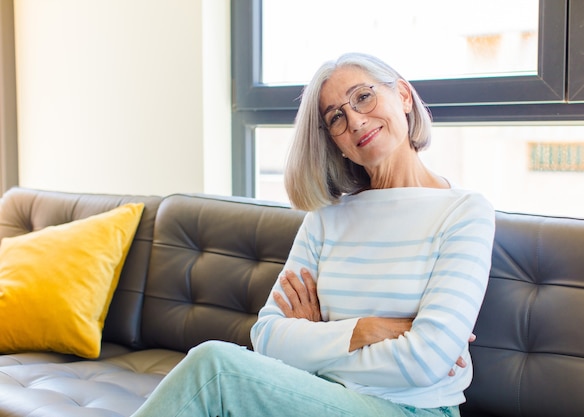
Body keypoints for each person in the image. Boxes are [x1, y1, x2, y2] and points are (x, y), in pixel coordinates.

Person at [131, 52, 495, 417]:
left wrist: (313, 340)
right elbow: (268, 336)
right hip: (314, 397)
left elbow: (425, 360)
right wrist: (365, 330)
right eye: (335, 116)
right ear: (334, 140)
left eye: (363, 96)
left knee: (215, 368)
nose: (354, 119)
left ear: (402, 95)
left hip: (411, 409)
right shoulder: (327, 218)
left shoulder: (464, 211)